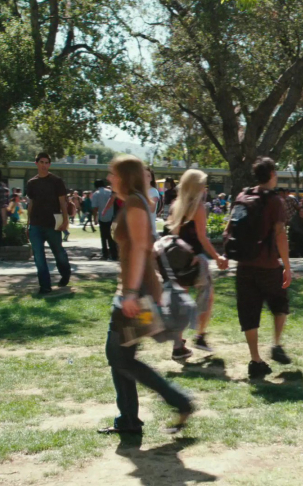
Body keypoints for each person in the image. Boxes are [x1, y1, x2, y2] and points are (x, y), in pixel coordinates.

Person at [98, 155, 192, 436]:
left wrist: (129, 294)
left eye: (113, 174)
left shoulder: (137, 203)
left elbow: (141, 248)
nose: (109, 178)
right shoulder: (133, 201)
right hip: (133, 291)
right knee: (120, 357)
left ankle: (179, 402)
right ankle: (129, 419)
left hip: (137, 295)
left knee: (120, 357)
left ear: (125, 177)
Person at [226, 157, 293, 380]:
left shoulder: (242, 196)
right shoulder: (274, 201)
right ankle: (276, 344)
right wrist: (287, 266)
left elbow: (231, 228)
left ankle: (255, 360)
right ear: (272, 174)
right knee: (280, 304)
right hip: (268, 265)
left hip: (244, 266)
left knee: (249, 313)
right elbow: (280, 234)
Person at [166, 169, 229, 358]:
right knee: (207, 295)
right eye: (202, 184)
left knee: (181, 301)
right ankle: (200, 336)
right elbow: (202, 237)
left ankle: (178, 345)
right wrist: (217, 257)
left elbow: (174, 235)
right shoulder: (198, 207)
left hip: (178, 259)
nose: (204, 187)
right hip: (194, 259)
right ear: (196, 186)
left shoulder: (176, 205)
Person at [26, 152, 71, 294]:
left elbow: (62, 202)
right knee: (39, 257)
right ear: (36, 163)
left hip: (53, 224)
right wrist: (28, 224)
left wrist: (65, 220)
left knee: (59, 253)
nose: (44, 165)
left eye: (46, 163)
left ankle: (65, 273)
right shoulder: (31, 183)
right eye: (42, 162)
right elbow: (31, 203)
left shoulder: (56, 181)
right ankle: (45, 286)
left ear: (49, 164)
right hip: (35, 224)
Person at [91, 179, 118, 261]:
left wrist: (95, 218)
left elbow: (95, 208)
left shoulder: (96, 194)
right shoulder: (110, 192)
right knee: (111, 236)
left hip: (102, 217)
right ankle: (114, 254)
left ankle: (105, 253)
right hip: (112, 216)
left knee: (103, 236)